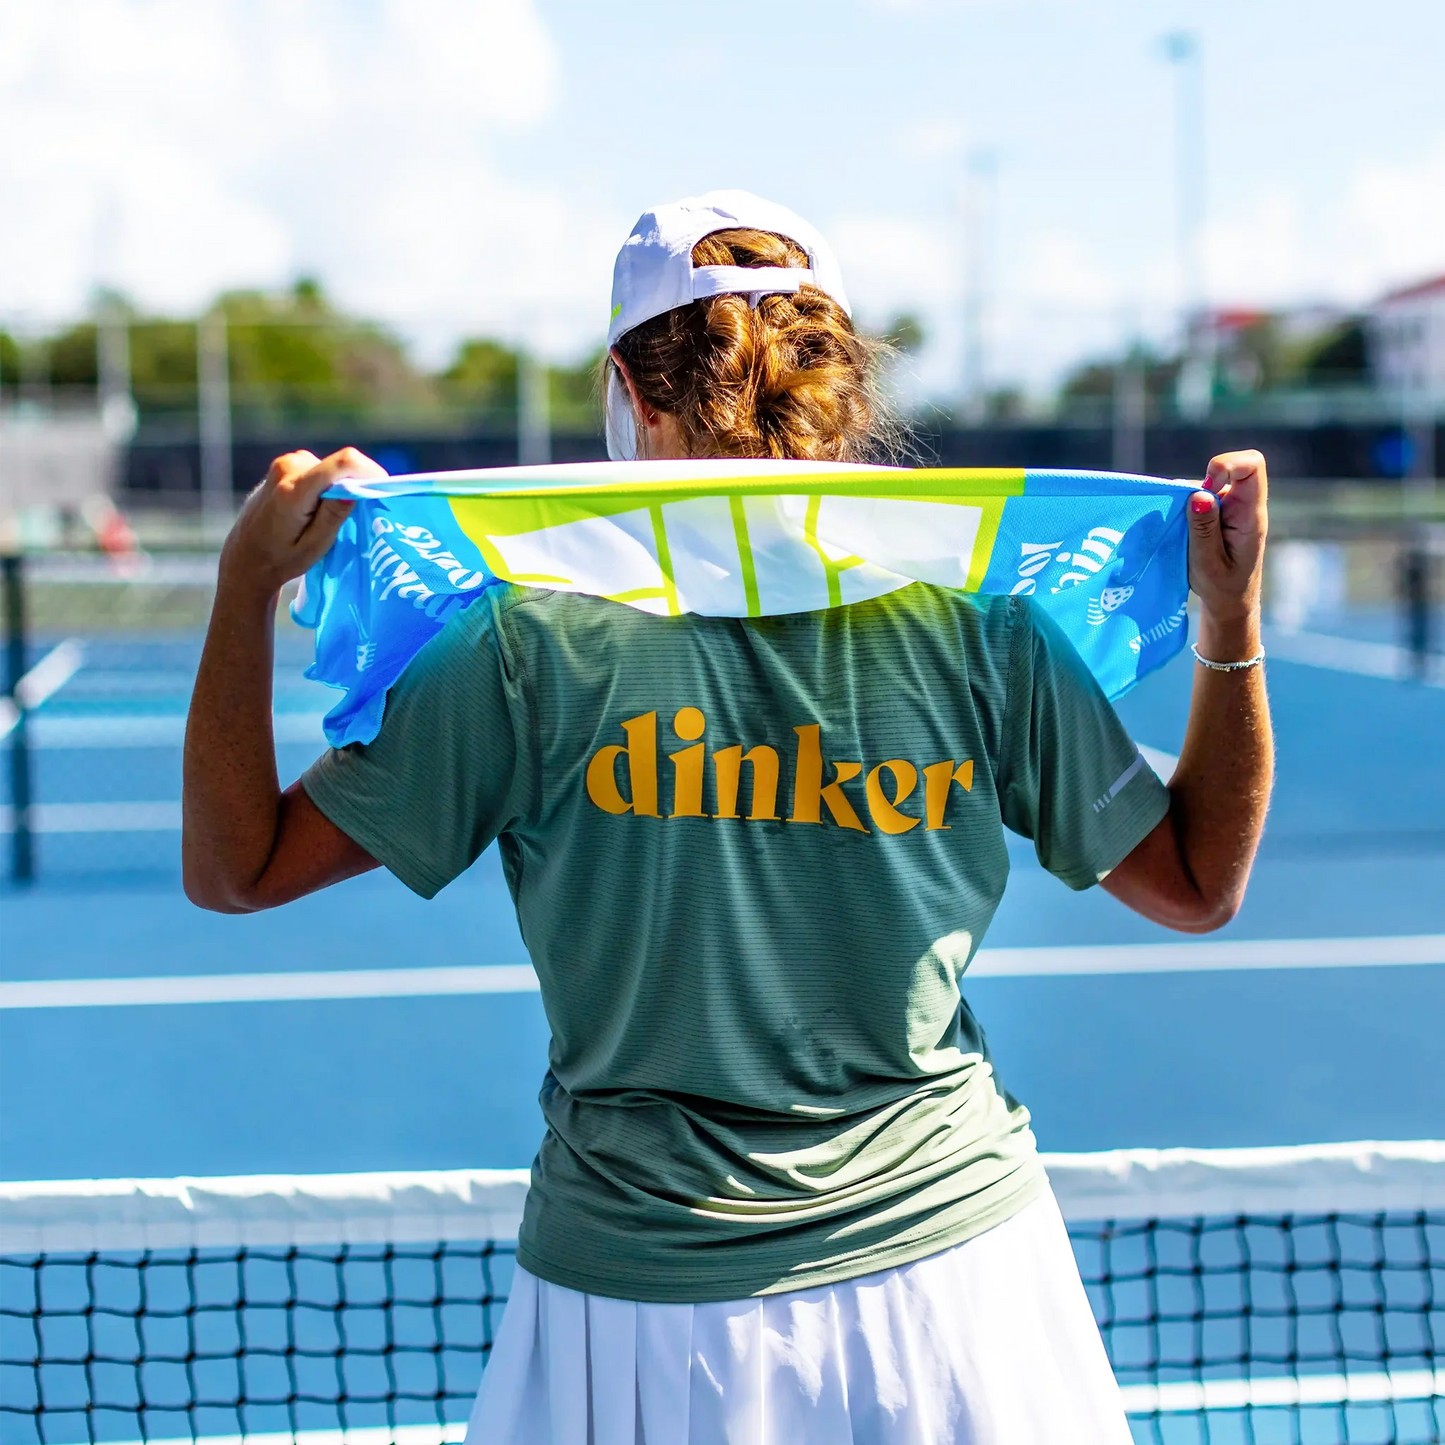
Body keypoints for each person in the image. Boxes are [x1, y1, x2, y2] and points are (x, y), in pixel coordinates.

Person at [183, 191, 1272, 1444]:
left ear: (625, 386)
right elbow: (1195, 884)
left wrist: (245, 584)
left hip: (638, 1312)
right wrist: (1227, 625)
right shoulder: (982, 631)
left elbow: (238, 868)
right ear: (838, 385)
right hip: (963, 1295)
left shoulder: (525, 647)